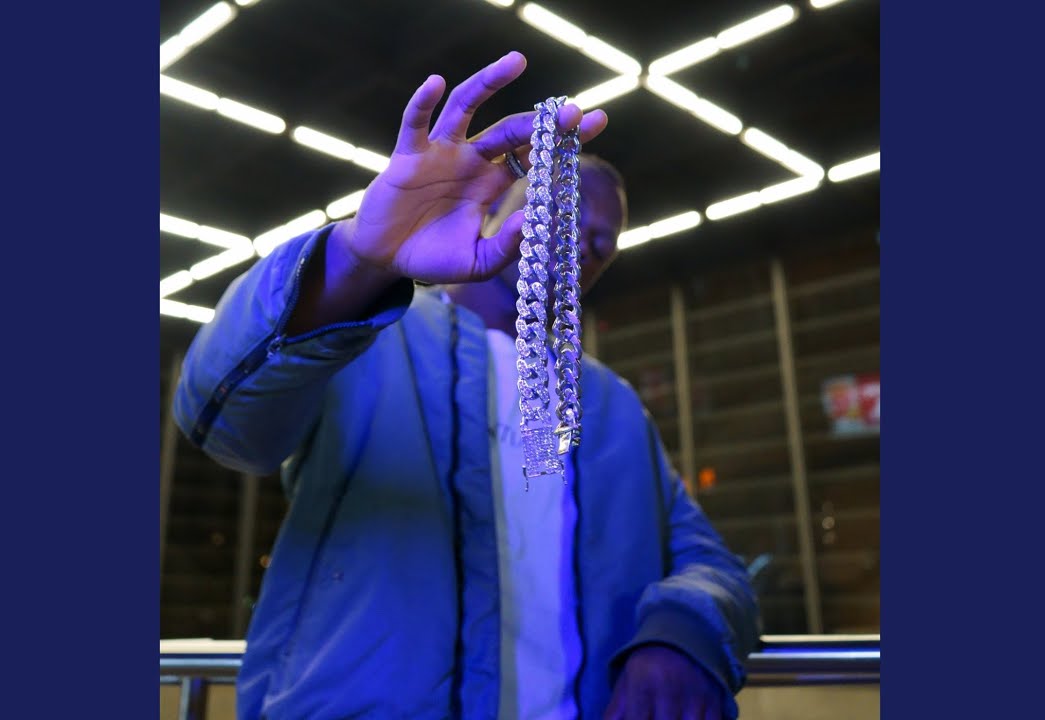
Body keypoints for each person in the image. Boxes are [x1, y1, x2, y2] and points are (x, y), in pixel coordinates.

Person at [174, 51, 760, 720]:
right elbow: (218, 420)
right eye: (563, 214)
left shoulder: (612, 407)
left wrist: (682, 633)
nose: (583, 245)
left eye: (603, 243)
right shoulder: (373, 335)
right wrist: (358, 260)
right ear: (495, 208)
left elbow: (709, 561)